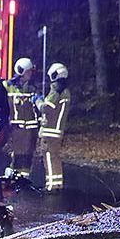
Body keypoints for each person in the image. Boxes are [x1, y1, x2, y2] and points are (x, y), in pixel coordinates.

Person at [35, 62, 72, 192]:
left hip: (50, 131)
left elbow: (45, 108)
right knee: (55, 157)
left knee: (49, 158)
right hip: (57, 131)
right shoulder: (66, 91)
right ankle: (57, 184)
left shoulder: (56, 90)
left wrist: (38, 100)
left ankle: (51, 186)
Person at [4, 57, 40, 178]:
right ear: (21, 71)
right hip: (17, 128)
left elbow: (38, 104)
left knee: (28, 155)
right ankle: (16, 177)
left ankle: (24, 177)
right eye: (28, 72)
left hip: (31, 128)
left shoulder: (33, 88)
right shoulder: (9, 87)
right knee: (18, 154)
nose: (30, 74)